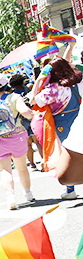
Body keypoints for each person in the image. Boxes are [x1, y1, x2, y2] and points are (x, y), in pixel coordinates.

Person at [0, 74, 34, 210]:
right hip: (17, 136)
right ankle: (28, 194)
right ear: (6, 84)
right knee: (22, 168)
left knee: (5, 170)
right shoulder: (14, 98)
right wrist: (33, 115)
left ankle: (11, 198)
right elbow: (26, 112)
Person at [32, 58, 82, 199]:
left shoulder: (52, 90)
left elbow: (33, 100)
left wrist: (38, 80)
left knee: (67, 155)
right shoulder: (77, 82)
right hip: (79, 117)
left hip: (62, 124)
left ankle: (70, 189)